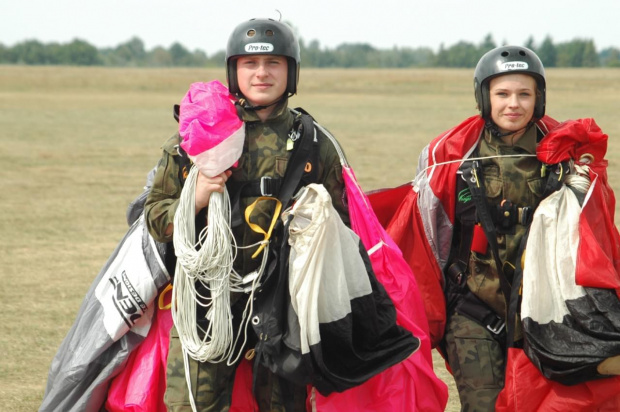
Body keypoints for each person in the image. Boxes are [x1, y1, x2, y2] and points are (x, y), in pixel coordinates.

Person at [144, 17, 419, 412]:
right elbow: (156, 218)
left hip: (286, 308)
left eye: (274, 63)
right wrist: (198, 197)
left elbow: (340, 233)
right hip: (209, 300)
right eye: (250, 64)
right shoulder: (197, 137)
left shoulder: (315, 144)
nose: (261, 73)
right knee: (193, 405)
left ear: (291, 72)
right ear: (232, 70)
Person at [378, 45, 620, 411]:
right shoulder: (452, 156)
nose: (514, 104)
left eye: (525, 94)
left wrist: (582, 184)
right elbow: (420, 236)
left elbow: (594, 239)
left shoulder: (564, 156)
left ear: (539, 99)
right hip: (473, 309)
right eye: (502, 93)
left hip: (543, 312)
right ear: (484, 96)